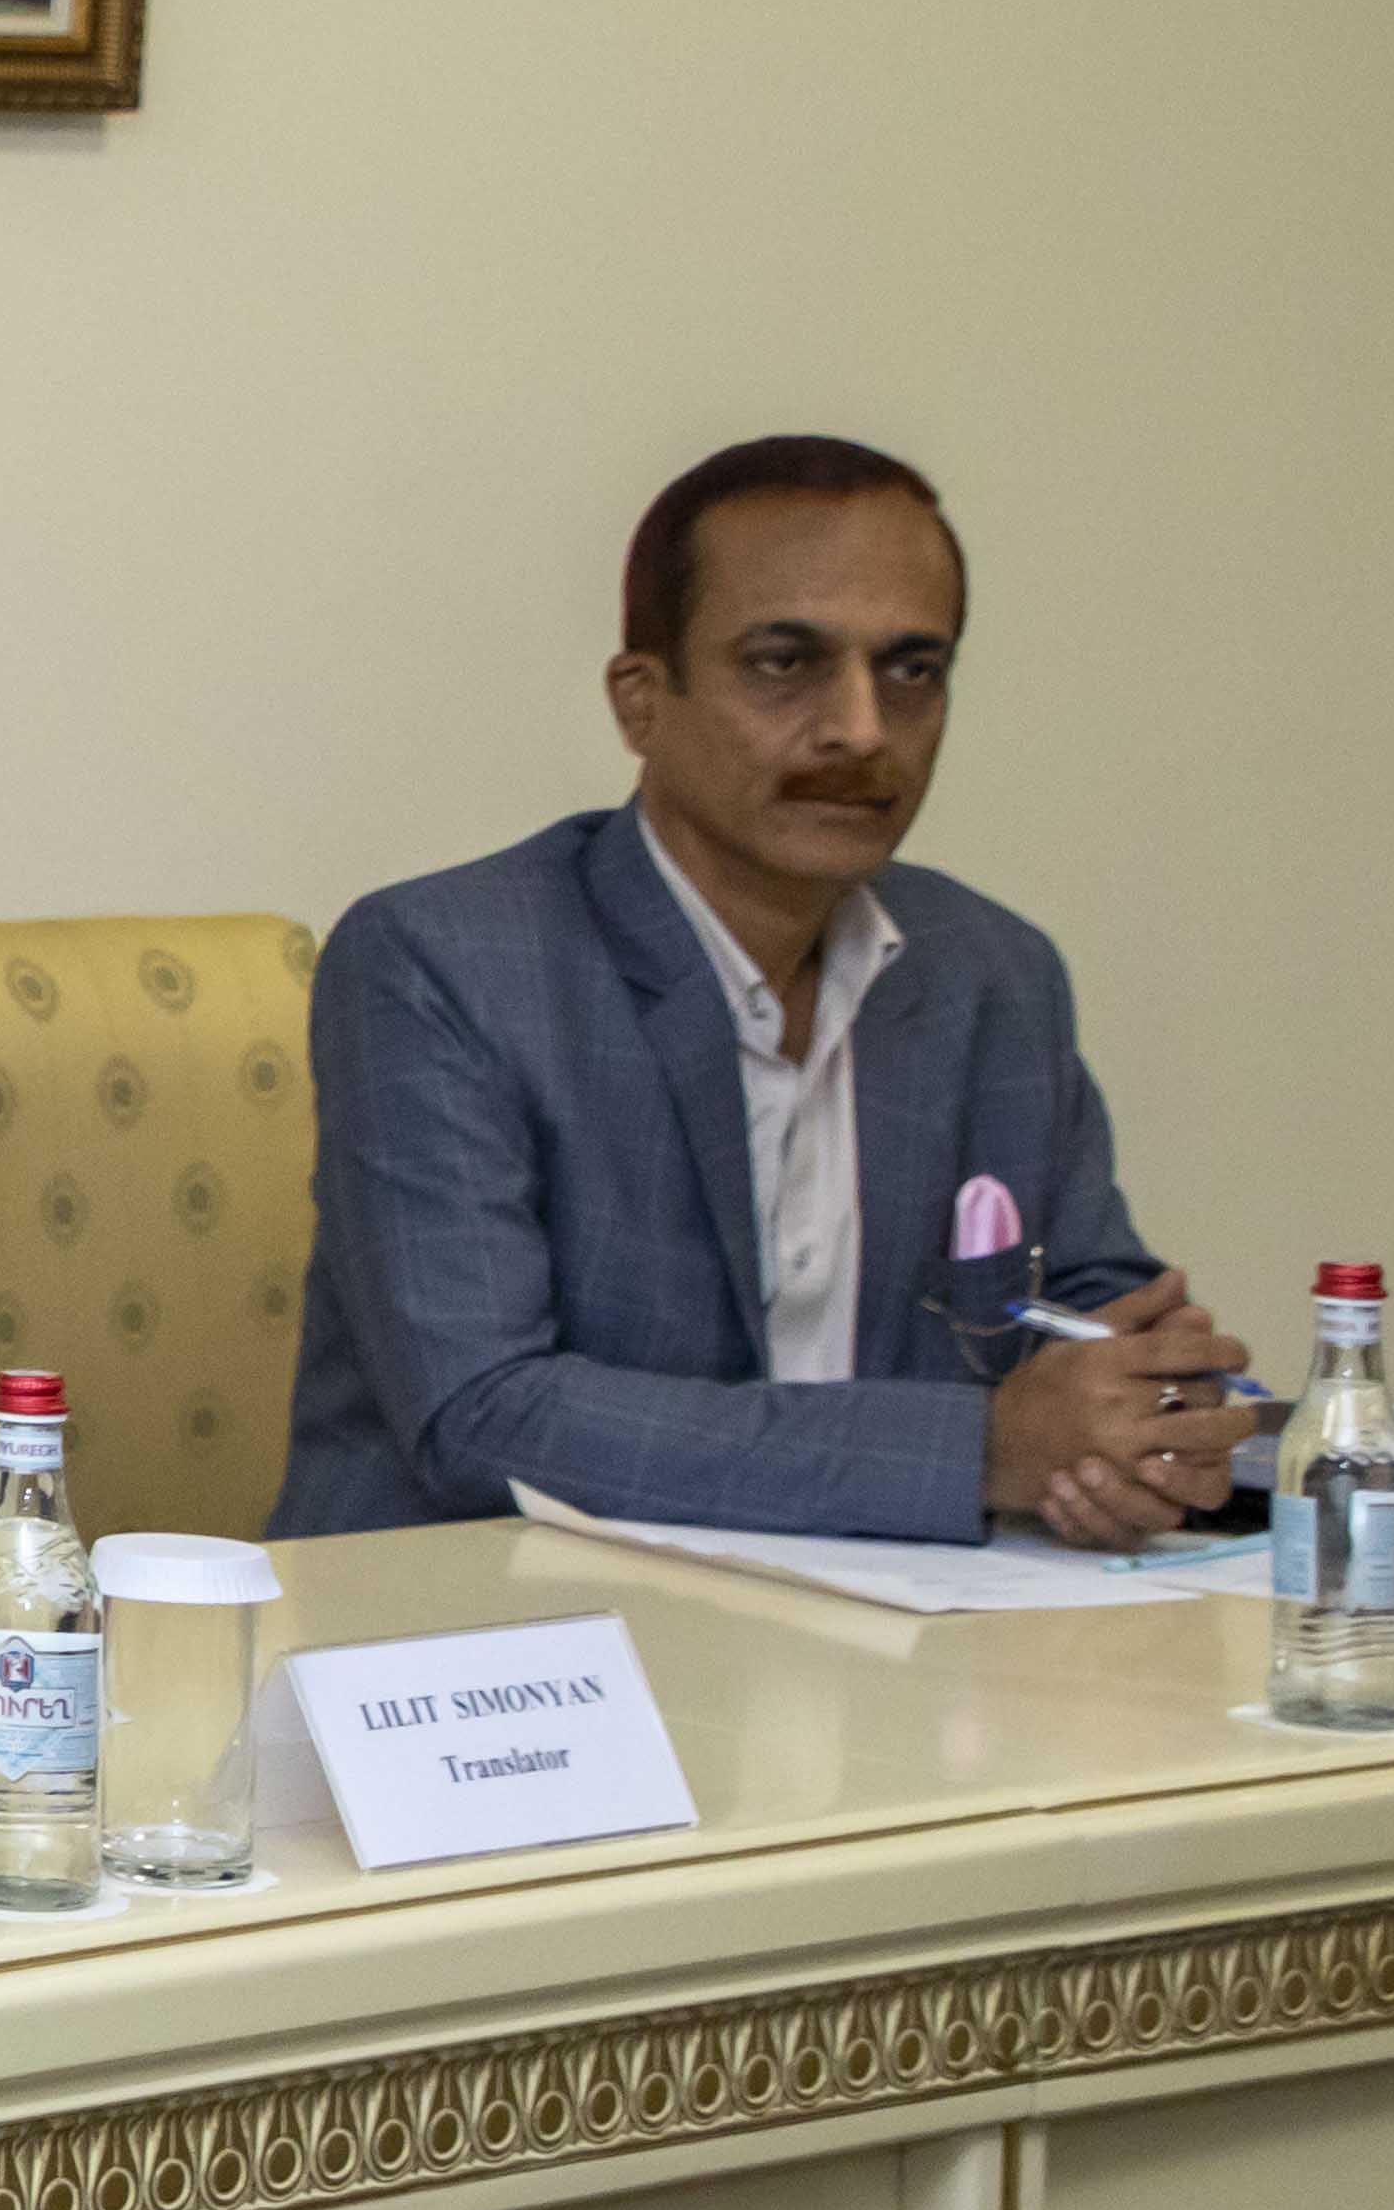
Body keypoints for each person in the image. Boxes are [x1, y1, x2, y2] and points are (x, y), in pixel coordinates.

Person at [279, 436, 1253, 1545]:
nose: (862, 730)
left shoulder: (993, 974)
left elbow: (1092, 1321)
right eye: (785, 663)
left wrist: (1147, 1419)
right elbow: (482, 1418)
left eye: (912, 671)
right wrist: (978, 1449)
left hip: (904, 1625)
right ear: (641, 702)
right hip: (495, 1625)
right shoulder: (442, 963)